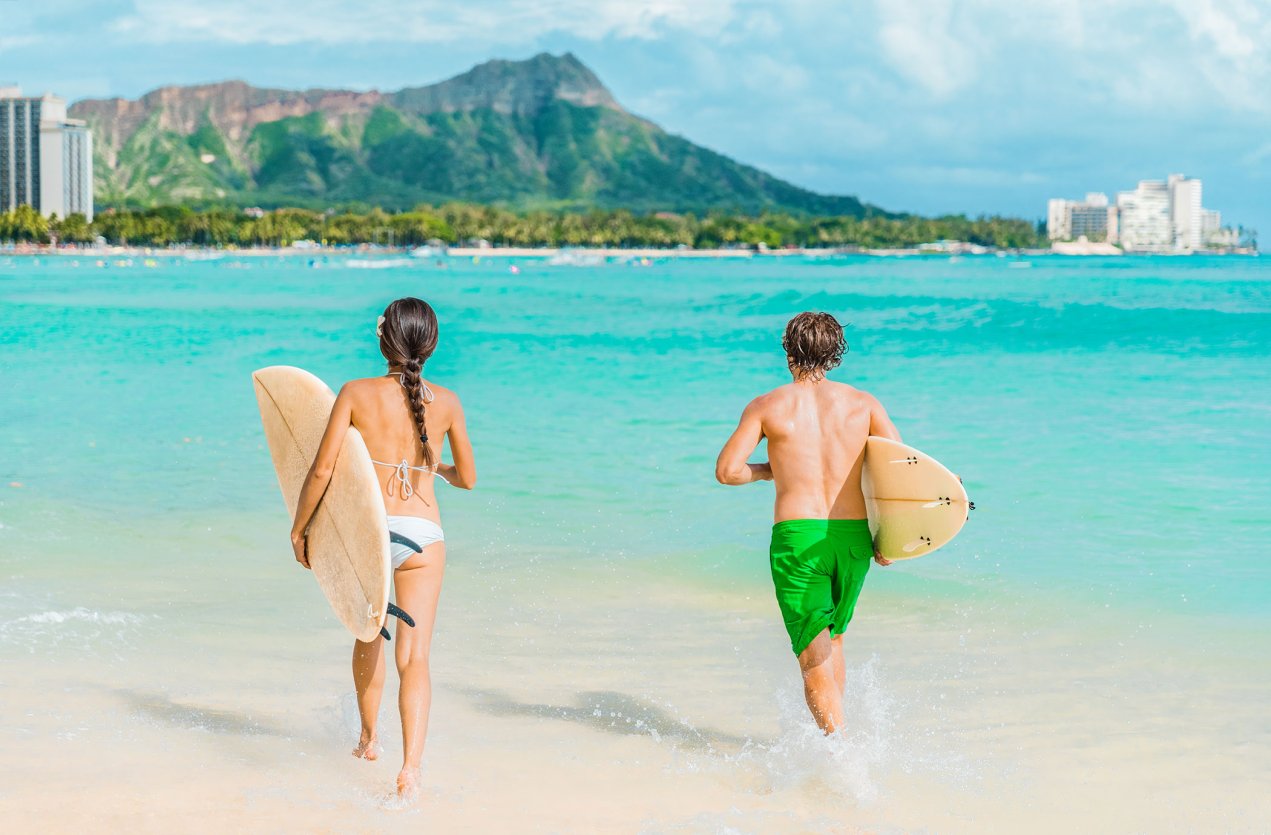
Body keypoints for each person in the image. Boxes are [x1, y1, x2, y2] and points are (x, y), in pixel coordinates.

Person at [289, 297, 476, 797]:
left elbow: (323, 469)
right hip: (424, 536)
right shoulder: (448, 402)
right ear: (431, 344)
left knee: (369, 632)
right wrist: (433, 467)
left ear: (383, 338)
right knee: (415, 657)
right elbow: (469, 479)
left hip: (369, 532)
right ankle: (411, 768)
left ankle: (369, 740)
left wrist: (300, 528)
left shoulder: (355, 392)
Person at [714, 312, 899, 734]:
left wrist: (767, 471)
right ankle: (840, 740)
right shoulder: (864, 404)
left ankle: (840, 753)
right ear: (835, 354)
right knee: (833, 639)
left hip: (798, 540)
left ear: (788, 352)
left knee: (812, 657)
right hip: (853, 539)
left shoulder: (767, 406)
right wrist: (891, 539)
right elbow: (900, 471)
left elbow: (727, 471)